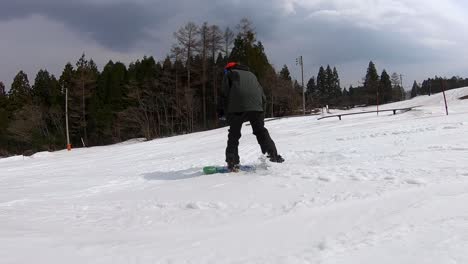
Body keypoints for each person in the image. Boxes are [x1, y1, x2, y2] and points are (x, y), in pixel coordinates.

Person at [219, 62, 284, 171]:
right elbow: (263, 96)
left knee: (234, 134)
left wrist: (222, 112)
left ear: (228, 68)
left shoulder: (230, 73)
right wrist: (261, 113)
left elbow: (224, 94)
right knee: (261, 131)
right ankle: (273, 157)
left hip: (236, 107)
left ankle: (232, 161)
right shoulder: (252, 75)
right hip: (256, 107)